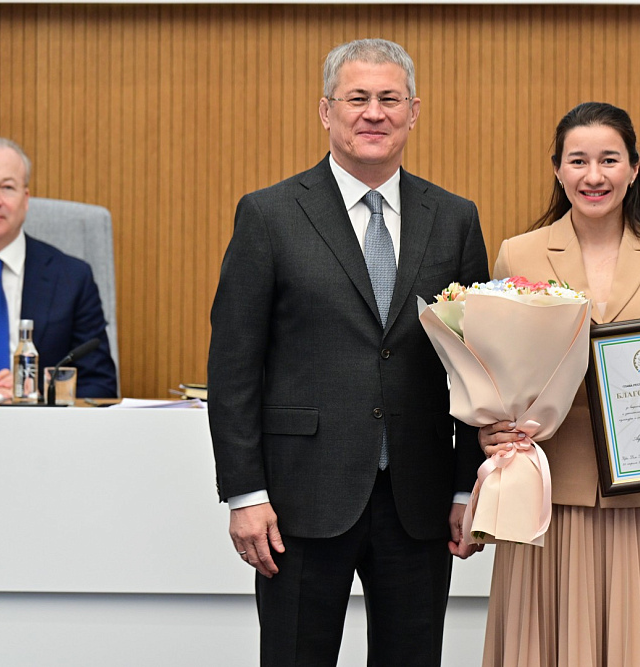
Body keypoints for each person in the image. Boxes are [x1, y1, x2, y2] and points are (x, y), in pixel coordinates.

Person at [206, 38, 489, 666]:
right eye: (356, 98)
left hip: (419, 500)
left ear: (414, 111)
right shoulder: (269, 215)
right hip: (300, 499)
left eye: (390, 99)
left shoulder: (454, 218)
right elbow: (233, 369)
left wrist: (466, 488)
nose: (374, 113)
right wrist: (244, 494)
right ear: (325, 111)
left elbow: (475, 368)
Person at [479, 102, 640, 667]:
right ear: (557, 169)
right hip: (551, 491)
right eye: (578, 161)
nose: (594, 176)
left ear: (634, 168)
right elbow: (496, 370)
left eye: (609, 160)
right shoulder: (519, 252)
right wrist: (489, 426)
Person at [0, 137, 118, 399]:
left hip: (44, 424)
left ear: (25, 198)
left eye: (7, 187)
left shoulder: (72, 278)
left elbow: (100, 385)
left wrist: (46, 391)